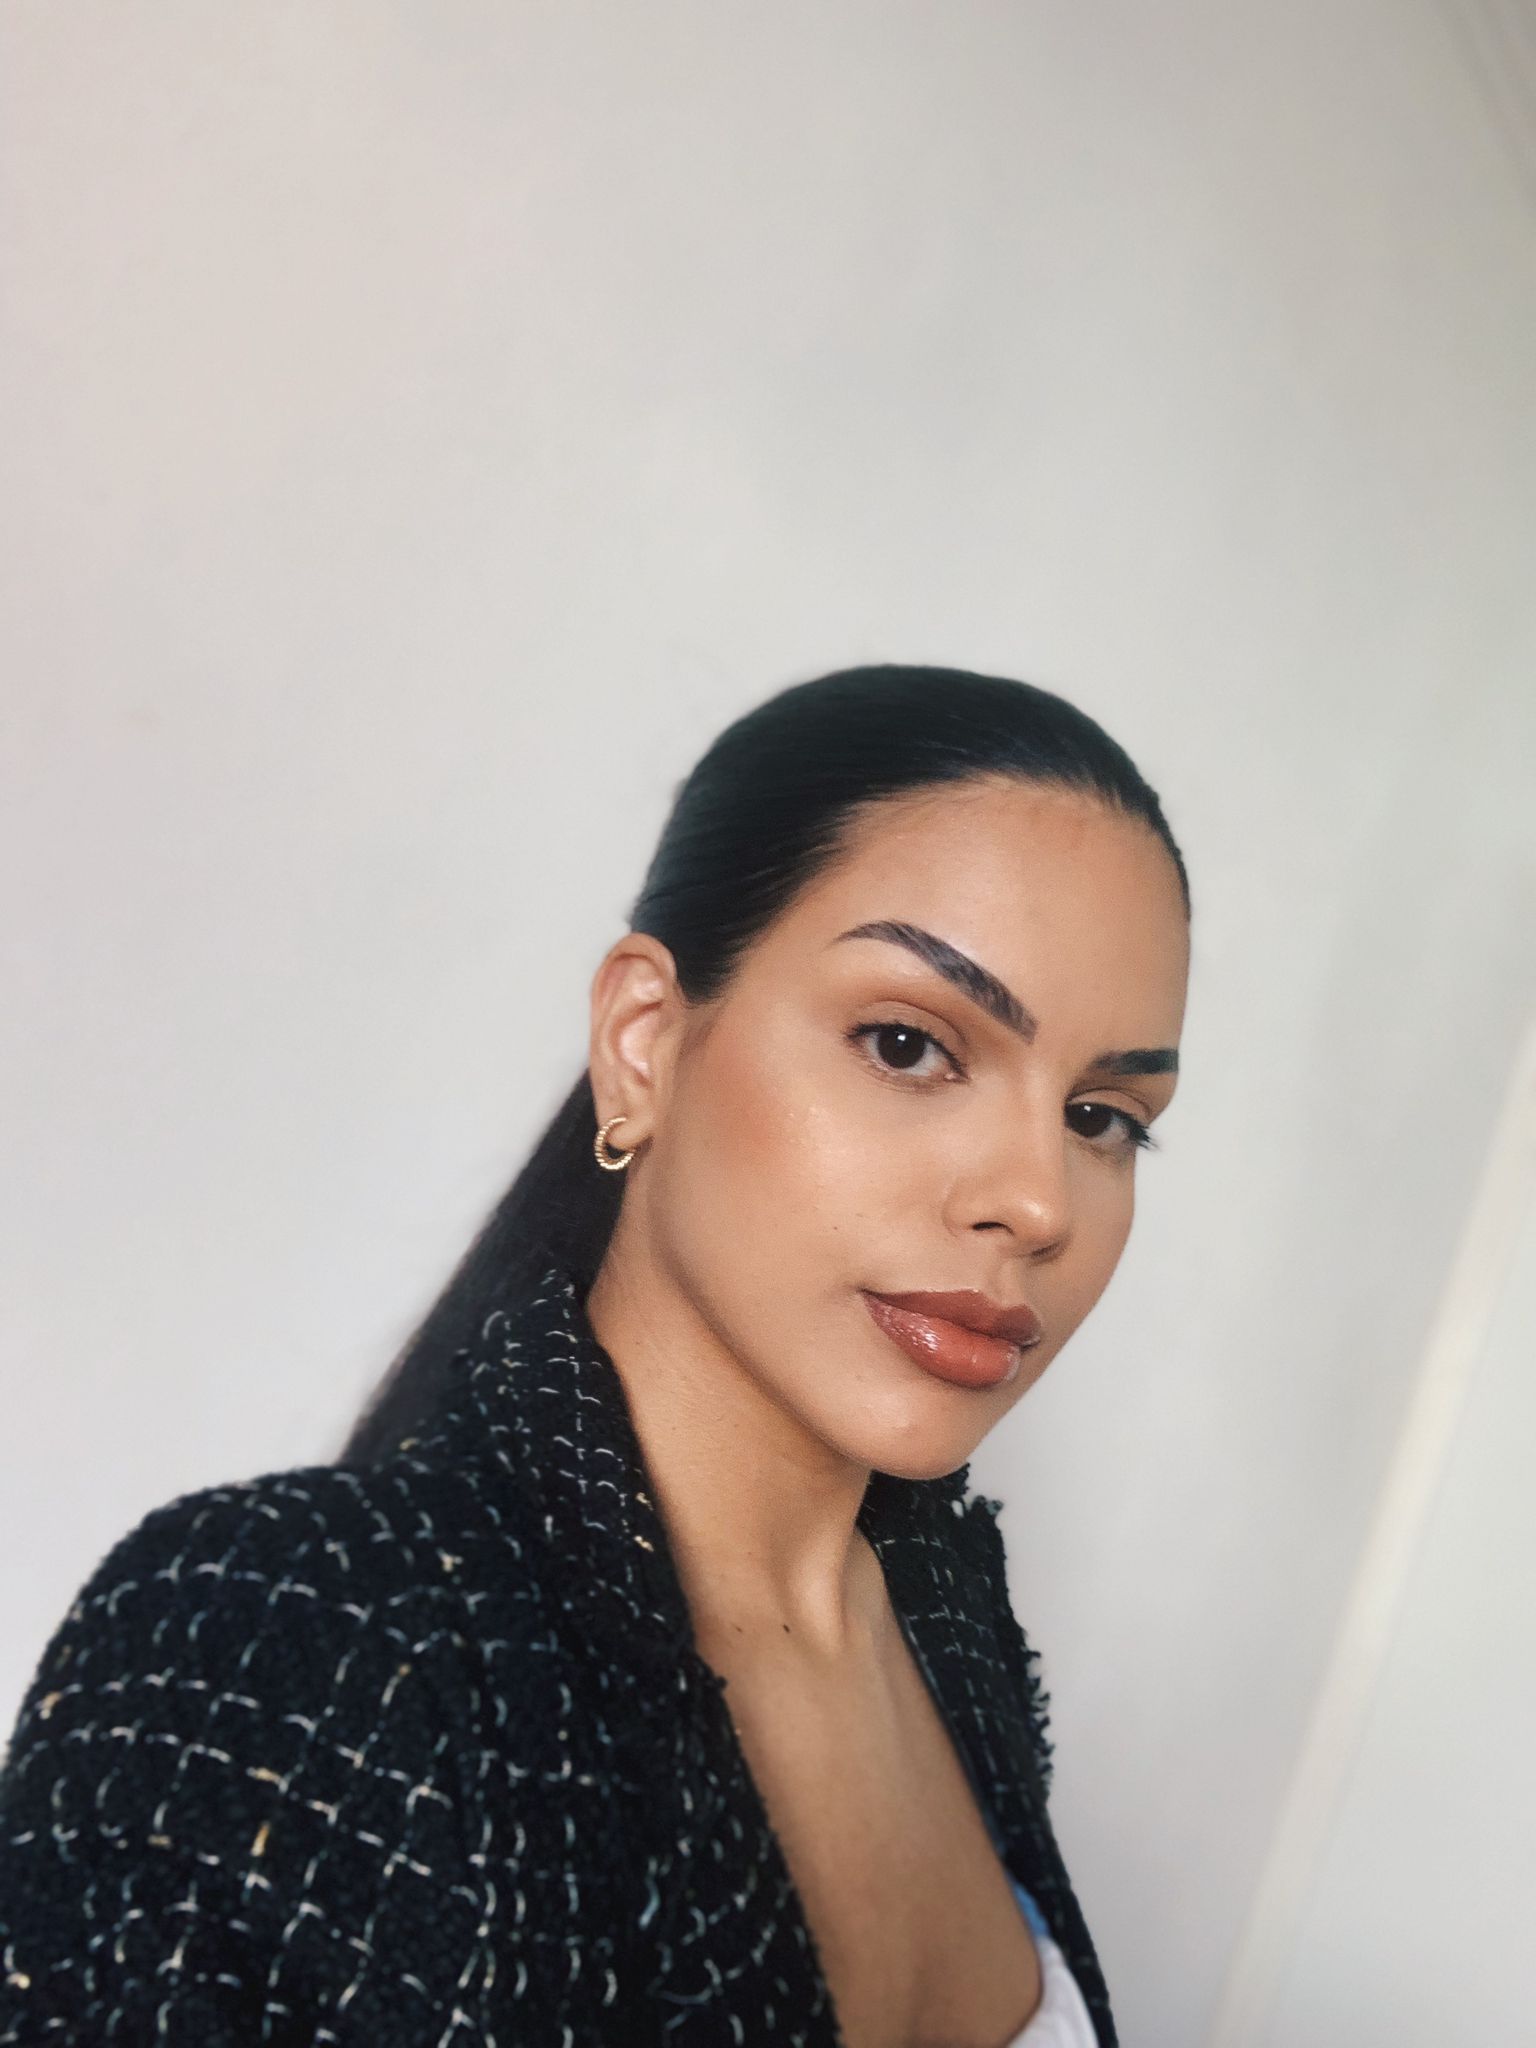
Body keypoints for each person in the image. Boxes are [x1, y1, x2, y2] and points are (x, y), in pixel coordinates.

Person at [0, 663, 1189, 2047]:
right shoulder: (287, 1638)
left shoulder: (946, 1629)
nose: (1038, 1203)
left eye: (1104, 1117)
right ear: (643, 1043)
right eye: (908, 1044)